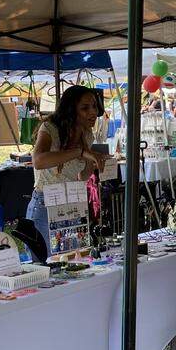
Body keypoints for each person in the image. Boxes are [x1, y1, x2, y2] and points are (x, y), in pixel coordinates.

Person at [27, 86, 107, 244]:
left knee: (75, 261)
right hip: (46, 204)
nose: (93, 112)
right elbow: (38, 161)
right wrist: (80, 152)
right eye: (85, 108)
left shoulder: (87, 134)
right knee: (50, 263)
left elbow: (82, 176)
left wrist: (93, 163)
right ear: (71, 110)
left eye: (94, 106)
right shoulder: (50, 128)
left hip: (72, 204)